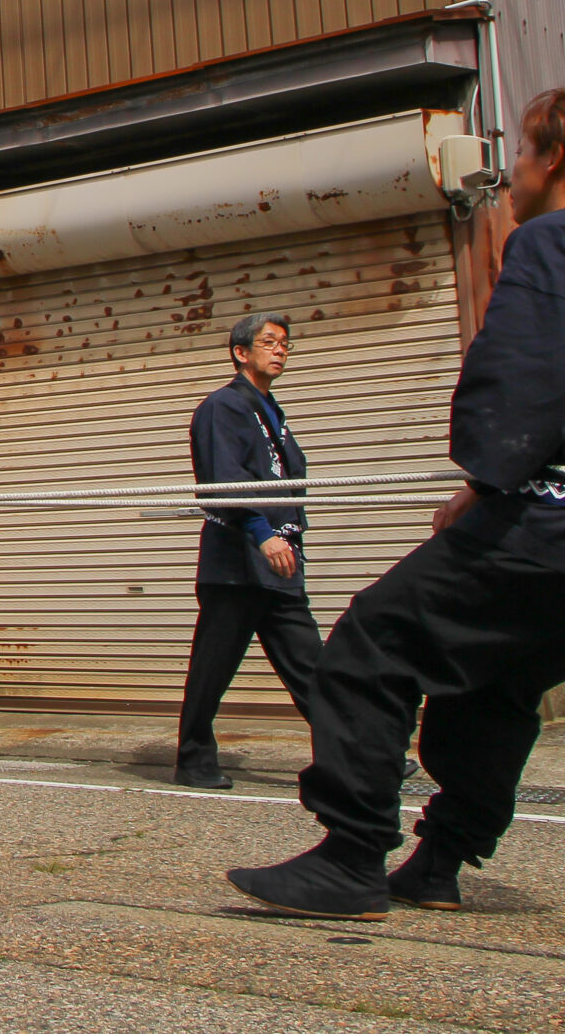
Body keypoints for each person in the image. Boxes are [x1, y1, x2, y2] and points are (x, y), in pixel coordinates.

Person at [229, 85, 565, 921]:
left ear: (554, 157)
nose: (513, 168)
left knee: (372, 642)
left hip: (556, 520)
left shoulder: (553, 241)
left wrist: (487, 477)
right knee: (490, 688)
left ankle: (349, 853)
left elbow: (527, 371)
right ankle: (440, 861)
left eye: (522, 150)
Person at [174, 313, 321, 790]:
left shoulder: (270, 411)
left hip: (279, 562)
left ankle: (354, 751)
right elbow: (223, 480)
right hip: (237, 561)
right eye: (269, 342)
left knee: (311, 667)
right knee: (212, 668)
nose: (280, 350)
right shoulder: (224, 407)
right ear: (241, 352)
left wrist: (287, 535)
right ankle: (193, 759)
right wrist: (263, 532)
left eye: (286, 343)